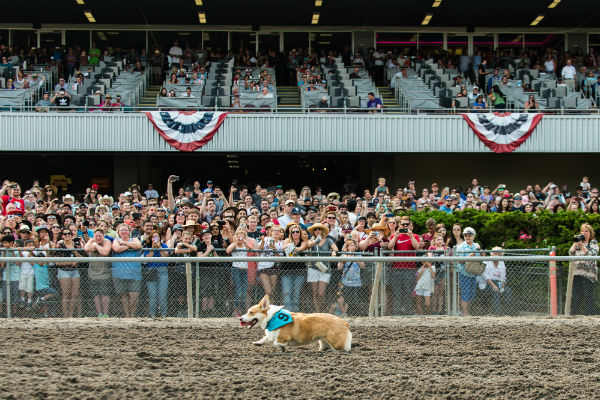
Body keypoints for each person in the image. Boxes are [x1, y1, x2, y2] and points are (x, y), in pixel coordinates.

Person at [387, 216, 420, 315]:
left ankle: (408, 312)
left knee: (408, 292)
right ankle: (396, 312)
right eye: (403, 224)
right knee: (396, 292)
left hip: (409, 268)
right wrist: (396, 236)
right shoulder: (395, 235)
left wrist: (411, 236)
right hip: (397, 268)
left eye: (407, 224)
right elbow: (389, 246)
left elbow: (417, 247)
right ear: (399, 225)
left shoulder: (414, 235)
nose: (405, 226)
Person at [111, 223, 143, 318]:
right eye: (122, 230)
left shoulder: (134, 239)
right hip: (119, 273)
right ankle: (127, 315)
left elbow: (138, 246)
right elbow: (116, 249)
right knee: (124, 295)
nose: (124, 232)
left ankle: (133, 314)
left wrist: (125, 244)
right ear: (118, 232)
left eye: (125, 230)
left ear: (129, 231)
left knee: (134, 295)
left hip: (134, 273)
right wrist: (130, 246)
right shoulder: (116, 240)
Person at [306, 223, 338, 313]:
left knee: (321, 293)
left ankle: (323, 310)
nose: (317, 231)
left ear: (322, 230)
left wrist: (333, 252)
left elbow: (335, 248)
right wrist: (316, 241)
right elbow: (309, 245)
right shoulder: (311, 240)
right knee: (315, 293)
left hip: (325, 268)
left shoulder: (328, 240)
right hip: (313, 268)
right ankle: (317, 311)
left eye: (319, 229)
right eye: (315, 229)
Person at [568, 223, 598, 315]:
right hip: (577, 271)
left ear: (590, 233)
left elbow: (592, 254)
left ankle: (591, 314)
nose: (584, 233)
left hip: (589, 273)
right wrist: (575, 242)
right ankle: (575, 314)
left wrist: (582, 246)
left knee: (588, 295)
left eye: (586, 231)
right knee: (576, 295)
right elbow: (571, 253)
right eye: (582, 231)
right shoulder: (578, 242)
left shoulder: (593, 243)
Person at [226, 228, 255, 317]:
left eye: (242, 235)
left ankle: (241, 309)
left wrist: (246, 243)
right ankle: (236, 309)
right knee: (239, 290)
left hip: (244, 270)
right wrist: (235, 242)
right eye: (238, 235)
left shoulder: (245, 245)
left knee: (244, 291)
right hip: (236, 269)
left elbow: (254, 251)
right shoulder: (234, 245)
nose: (240, 237)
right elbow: (228, 251)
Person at [84, 228, 113, 317]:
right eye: (96, 236)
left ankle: (105, 313)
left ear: (103, 235)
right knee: (96, 295)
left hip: (105, 273)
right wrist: (96, 244)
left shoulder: (107, 241)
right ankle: (99, 313)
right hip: (93, 273)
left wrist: (96, 246)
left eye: (100, 236)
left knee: (105, 294)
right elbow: (87, 248)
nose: (98, 238)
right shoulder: (92, 240)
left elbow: (105, 252)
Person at [281, 223, 308, 312]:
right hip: (286, 271)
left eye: (297, 232)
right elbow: (283, 247)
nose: (295, 233)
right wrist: (288, 246)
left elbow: (301, 248)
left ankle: (295, 312)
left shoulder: (303, 241)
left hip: (299, 271)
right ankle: (288, 313)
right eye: (293, 232)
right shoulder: (287, 240)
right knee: (286, 293)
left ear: (300, 233)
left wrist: (292, 248)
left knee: (296, 293)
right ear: (290, 233)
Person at [143, 229, 170, 318]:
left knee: (162, 295)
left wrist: (159, 248)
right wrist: (153, 249)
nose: (155, 239)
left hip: (162, 271)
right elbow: (147, 259)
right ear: (151, 238)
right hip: (151, 271)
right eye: (153, 237)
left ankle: (164, 314)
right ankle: (152, 315)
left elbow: (166, 257)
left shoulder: (164, 246)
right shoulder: (147, 247)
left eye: (157, 237)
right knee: (152, 295)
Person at [455, 227, 481, 316]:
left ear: (473, 236)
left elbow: (481, 257)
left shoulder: (476, 245)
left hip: (473, 273)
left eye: (469, 235)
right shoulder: (461, 247)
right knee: (465, 294)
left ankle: (467, 312)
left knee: (471, 295)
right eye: (466, 235)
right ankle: (465, 314)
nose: (467, 237)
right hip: (464, 273)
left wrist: (480, 251)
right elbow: (459, 261)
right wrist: (470, 256)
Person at [480, 246, 512, 315]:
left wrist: (502, 285)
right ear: (491, 253)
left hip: (498, 282)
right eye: (494, 253)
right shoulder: (486, 260)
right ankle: (498, 313)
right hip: (487, 283)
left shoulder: (501, 262)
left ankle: (507, 313)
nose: (495, 255)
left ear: (500, 255)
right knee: (495, 291)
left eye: (497, 254)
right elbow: (485, 276)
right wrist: (494, 285)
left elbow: (503, 277)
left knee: (508, 291)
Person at [338, 239, 365, 315]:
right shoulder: (343, 255)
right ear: (347, 247)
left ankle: (352, 313)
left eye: (354, 245)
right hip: (345, 281)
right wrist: (343, 262)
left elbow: (363, 266)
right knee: (344, 298)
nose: (353, 247)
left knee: (354, 300)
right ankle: (344, 313)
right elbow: (339, 267)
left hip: (356, 282)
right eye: (351, 245)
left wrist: (356, 259)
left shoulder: (358, 255)